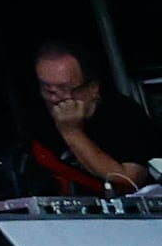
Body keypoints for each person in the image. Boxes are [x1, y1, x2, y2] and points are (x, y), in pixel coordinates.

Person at [27, 43, 156, 196]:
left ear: (92, 88)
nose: (54, 98)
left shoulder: (123, 114)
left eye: (64, 89)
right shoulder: (40, 119)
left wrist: (72, 132)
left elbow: (129, 182)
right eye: (47, 89)